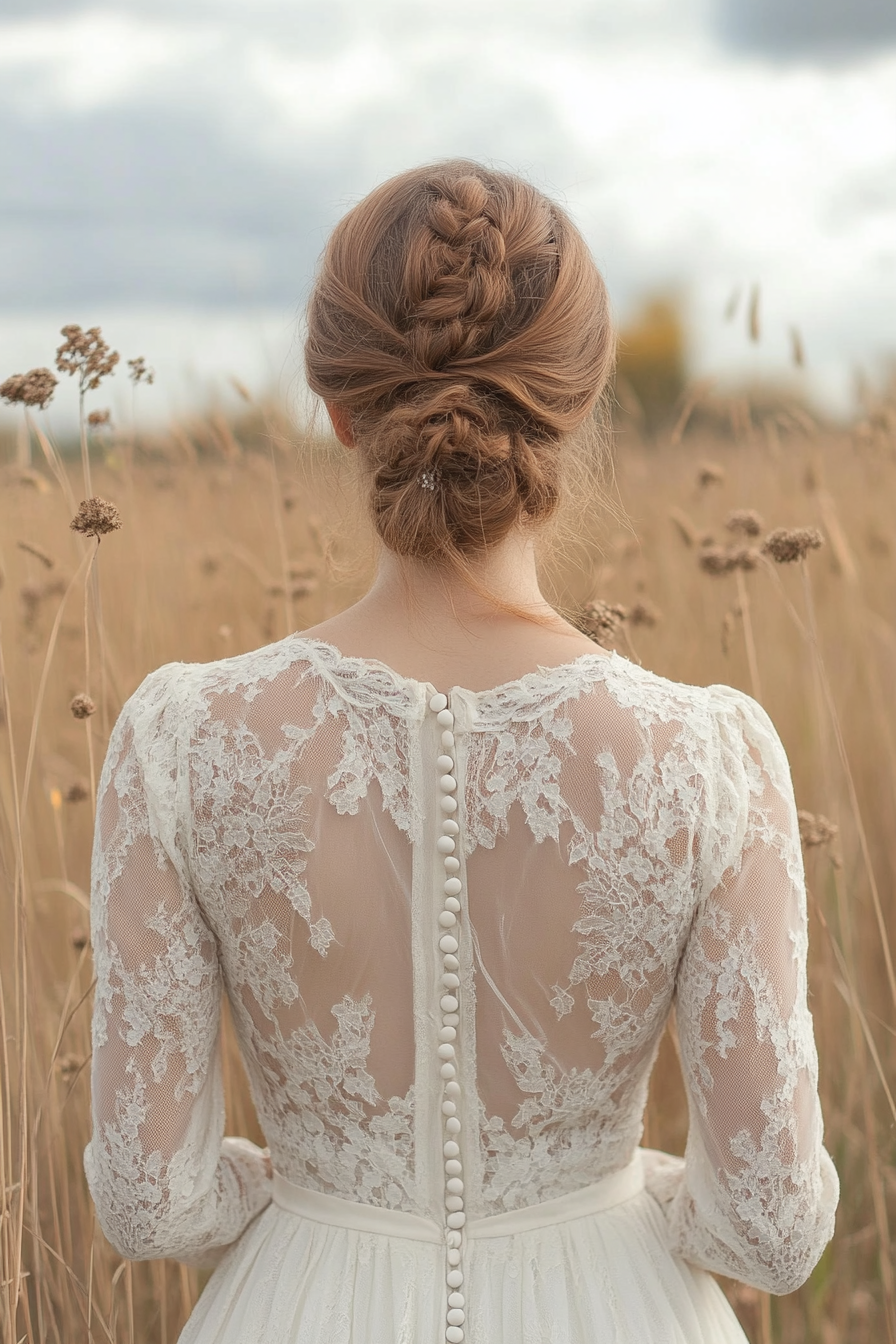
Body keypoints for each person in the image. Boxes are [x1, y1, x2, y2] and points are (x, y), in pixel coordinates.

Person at [84, 160, 838, 1344]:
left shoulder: (182, 739)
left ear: (337, 406)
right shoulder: (708, 756)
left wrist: (303, 1201)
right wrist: (619, 1195)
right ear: (576, 404)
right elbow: (769, 1228)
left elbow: (147, 1200)